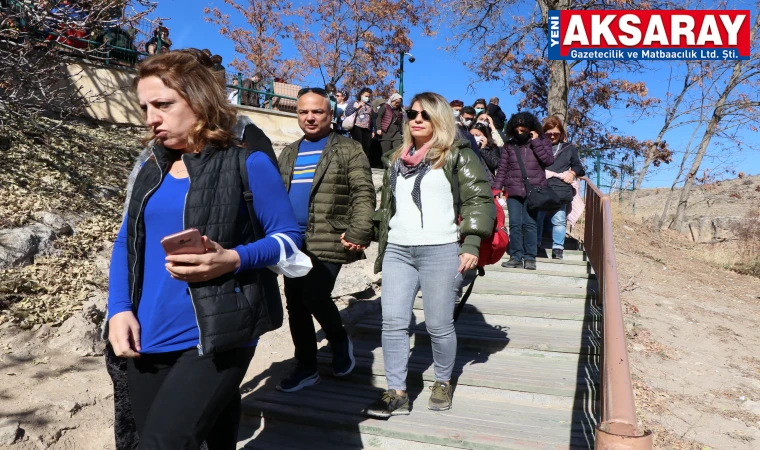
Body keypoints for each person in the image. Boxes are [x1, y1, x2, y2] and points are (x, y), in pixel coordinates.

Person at [106, 50, 301, 448]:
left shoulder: (247, 162)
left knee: (162, 444)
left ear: (198, 100)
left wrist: (233, 258)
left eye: (162, 104)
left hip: (219, 332)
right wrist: (119, 309)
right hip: (149, 333)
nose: (150, 118)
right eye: (145, 107)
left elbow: (288, 239)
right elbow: (128, 240)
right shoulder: (151, 167)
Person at [367, 92, 496, 418]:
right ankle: (396, 391)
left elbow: (479, 200)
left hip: (441, 250)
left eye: (425, 114)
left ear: (439, 118)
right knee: (393, 323)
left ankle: (442, 381)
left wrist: (470, 244)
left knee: (438, 325)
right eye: (412, 114)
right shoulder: (397, 158)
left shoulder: (457, 155)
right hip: (398, 250)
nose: (417, 119)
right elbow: (392, 208)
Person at [276, 87, 375, 392]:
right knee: (295, 304)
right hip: (293, 240)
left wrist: (360, 230)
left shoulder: (348, 149)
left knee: (314, 296)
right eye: (303, 111)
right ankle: (306, 367)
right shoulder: (289, 151)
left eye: (317, 111)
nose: (310, 117)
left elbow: (363, 191)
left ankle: (338, 337)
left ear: (330, 115)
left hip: (330, 236)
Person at [491, 112, 554, 270]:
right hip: (513, 190)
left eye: (524, 130)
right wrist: (497, 189)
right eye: (517, 130)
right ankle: (516, 256)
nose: (520, 133)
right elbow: (503, 168)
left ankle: (530, 257)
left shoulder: (542, 141)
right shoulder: (509, 145)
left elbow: (548, 161)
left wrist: (536, 142)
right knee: (515, 224)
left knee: (530, 224)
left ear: (531, 129)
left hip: (534, 190)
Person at [536, 116, 585, 260]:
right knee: (538, 217)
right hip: (540, 187)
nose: (552, 136)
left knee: (558, 219)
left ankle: (558, 248)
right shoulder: (537, 147)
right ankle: (537, 245)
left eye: (556, 134)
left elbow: (578, 166)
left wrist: (572, 173)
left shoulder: (568, 148)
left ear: (561, 133)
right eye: (549, 133)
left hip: (560, 188)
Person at [344, 87, 374, 160]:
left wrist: (373, 130)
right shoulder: (354, 103)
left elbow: (372, 120)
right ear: (361, 95)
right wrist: (356, 108)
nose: (367, 98)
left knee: (366, 147)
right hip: (356, 127)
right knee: (357, 145)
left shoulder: (370, 107)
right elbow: (347, 113)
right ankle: (354, 161)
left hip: (367, 129)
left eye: (369, 97)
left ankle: (364, 162)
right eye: (366, 96)